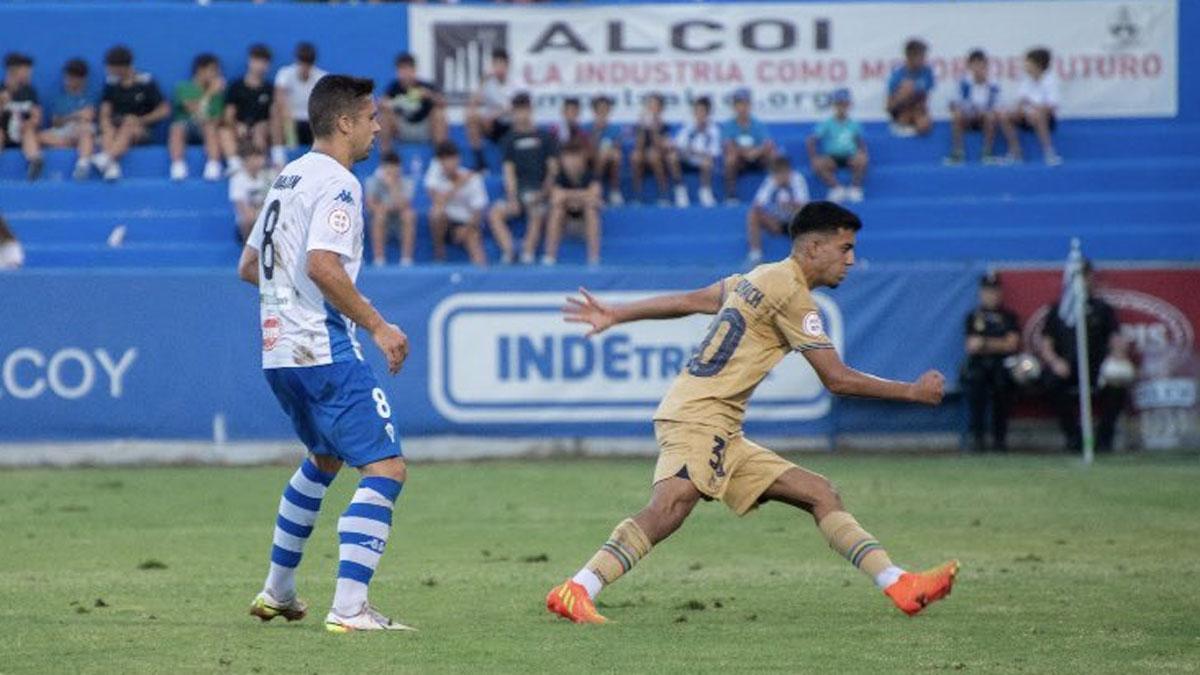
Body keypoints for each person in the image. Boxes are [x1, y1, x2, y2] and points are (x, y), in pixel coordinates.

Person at [545, 201, 958, 624]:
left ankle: (898, 583)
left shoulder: (758, 277)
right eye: (845, 248)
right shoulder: (793, 296)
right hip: (700, 417)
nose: (851, 259)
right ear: (814, 248)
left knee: (819, 493)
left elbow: (692, 299)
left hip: (720, 427)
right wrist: (910, 391)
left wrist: (618, 313)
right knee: (670, 507)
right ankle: (579, 587)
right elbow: (836, 378)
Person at [236, 74, 414, 632]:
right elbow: (323, 265)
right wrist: (378, 326)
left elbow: (248, 267)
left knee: (324, 459)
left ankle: (278, 591)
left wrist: (288, 311)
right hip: (323, 348)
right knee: (385, 467)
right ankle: (350, 608)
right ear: (345, 122)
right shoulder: (339, 183)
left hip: (279, 351)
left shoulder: (287, 178)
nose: (378, 127)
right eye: (371, 118)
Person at [1037, 261, 1127, 452]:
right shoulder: (1060, 310)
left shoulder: (1102, 309)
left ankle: (1104, 438)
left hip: (1096, 367)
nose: (1082, 281)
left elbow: (1116, 339)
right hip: (1067, 368)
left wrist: (1116, 357)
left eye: (1085, 276)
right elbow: (1046, 345)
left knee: (1118, 382)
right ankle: (1073, 436)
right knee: (1050, 381)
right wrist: (1055, 362)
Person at [488, 92, 558, 265]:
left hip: (539, 192)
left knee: (537, 212)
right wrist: (512, 198)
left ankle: (528, 252)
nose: (521, 115)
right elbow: (508, 171)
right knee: (495, 213)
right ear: (513, 113)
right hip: (518, 192)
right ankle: (509, 250)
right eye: (517, 111)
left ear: (531, 110)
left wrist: (543, 193)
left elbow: (553, 170)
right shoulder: (508, 140)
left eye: (525, 110)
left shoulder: (545, 137)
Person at [961, 273, 1020, 452]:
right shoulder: (974, 316)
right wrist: (998, 343)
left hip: (1002, 366)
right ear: (981, 293)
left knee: (1002, 388)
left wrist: (985, 343)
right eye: (987, 291)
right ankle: (978, 438)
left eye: (994, 291)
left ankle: (999, 440)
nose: (991, 295)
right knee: (975, 387)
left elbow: (1012, 344)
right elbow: (972, 346)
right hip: (978, 366)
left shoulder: (1009, 316)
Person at [94, 45, 169, 182]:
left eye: (111, 67)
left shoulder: (146, 82)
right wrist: (105, 123)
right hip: (116, 126)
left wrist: (139, 120)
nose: (108, 70)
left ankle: (107, 157)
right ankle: (111, 167)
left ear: (122, 67)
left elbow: (164, 110)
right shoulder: (111, 84)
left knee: (128, 126)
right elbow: (105, 111)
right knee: (108, 129)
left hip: (141, 129)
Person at [424, 140, 488, 267]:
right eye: (444, 160)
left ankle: (482, 275)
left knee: (472, 238)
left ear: (458, 159)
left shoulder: (474, 179)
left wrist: (467, 228)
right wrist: (458, 185)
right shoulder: (436, 177)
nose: (448, 164)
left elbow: (478, 212)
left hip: (468, 223)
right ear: (439, 163)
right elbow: (437, 201)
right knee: (436, 213)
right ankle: (439, 253)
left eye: (451, 159)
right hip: (447, 223)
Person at [542, 140, 602, 266]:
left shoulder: (591, 174)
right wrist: (580, 196)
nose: (572, 162)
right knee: (556, 210)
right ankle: (550, 255)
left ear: (583, 158)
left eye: (575, 157)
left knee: (591, 209)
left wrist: (568, 196)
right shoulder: (560, 176)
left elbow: (595, 196)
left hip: (584, 215)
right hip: (566, 216)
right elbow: (555, 198)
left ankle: (594, 256)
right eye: (568, 158)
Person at [169, 53, 226, 181]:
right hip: (186, 125)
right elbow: (193, 109)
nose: (216, 74)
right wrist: (210, 93)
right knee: (176, 128)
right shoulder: (183, 87)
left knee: (210, 127)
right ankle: (178, 166)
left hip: (207, 127)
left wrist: (208, 119)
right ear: (200, 70)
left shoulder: (218, 94)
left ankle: (213, 166)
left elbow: (217, 119)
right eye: (213, 70)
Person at [221, 44, 276, 173]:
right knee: (224, 131)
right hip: (238, 131)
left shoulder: (270, 89)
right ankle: (234, 164)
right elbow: (229, 114)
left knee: (260, 129)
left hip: (261, 131)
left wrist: (262, 126)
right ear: (250, 61)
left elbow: (273, 117)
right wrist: (237, 126)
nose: (260, 66)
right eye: (257, 61)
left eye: (264, 62)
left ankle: (260, 163)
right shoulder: (235, 87)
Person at [39, 58, 95, 181]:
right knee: (40, 136)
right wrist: (74, 116)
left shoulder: (90, 97)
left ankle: (83, 164)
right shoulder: (59, 99)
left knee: (85, 132)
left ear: (82, 79)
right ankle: (79, 146)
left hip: (83, 130)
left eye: (74, 78)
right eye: (68, 77)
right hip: (64, 133)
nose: (70, 81)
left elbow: (89, 117)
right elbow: (55, 122)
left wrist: (80, 118)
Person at [1003, 47, 1061, 166]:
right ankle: (1016, 152)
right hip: (1026, 116)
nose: (1025, 65)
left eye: (1028, 62)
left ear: (1037, 64)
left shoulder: (1051, 80)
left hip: (1045, 118)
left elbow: (1051, 107)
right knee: (1004, 116)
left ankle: (1049, 153)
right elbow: (1021, 100)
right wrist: (1019, 111)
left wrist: (1034, 110)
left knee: (1038, 115)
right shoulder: (1025, 79)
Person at [807, 88, 867, 203]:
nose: (842, 108)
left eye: (844, 104)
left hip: (850, 156)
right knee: (818, 164)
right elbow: (811, 140)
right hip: (831, 157)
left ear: (849, 105)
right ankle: (836, 188)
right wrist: (814, 157)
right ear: (834, 105)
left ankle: (855, 188)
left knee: (862, 159)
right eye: (839, 104)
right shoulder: (827, 123)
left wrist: (863, 153)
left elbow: (860, 141)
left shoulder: (854, 124)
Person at [944, 49, 1003, 166]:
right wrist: (965, 110)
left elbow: (998, 105)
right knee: (957, 115)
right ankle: (957, 152)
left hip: (984, 118)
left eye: (981, 65)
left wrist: (984, 111)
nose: (978, 68)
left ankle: (987, 153)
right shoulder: (963, 83)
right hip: (967, 117)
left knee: (991, 116)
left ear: (986, 66)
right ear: (969, 66)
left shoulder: (993, 84)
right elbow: (953, 103)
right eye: (975, 65)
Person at [746, 156, 809, 264]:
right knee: (753, 214)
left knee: (807, 215)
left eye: (783, 173)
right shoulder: (770, 181)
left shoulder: (798, 179)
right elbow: (758, 205)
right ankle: (755, 253)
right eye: (778, 174)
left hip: (794, 223)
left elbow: (804, 205)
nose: (781, 177)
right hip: (776, 223)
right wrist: (774, 192)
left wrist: (790, 205)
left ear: (789, 172)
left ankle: (806, 252)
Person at [272, 42, 327, 167]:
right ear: (297, 61)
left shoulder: (322, 77)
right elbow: (279, 97)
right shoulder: (285, 73)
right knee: (275, 109)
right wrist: (287, 115)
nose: (304, 67)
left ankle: (322, 156)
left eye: (308, 63)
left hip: (312, 122)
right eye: (302, 62)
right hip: (290, 120)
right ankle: (278, 154)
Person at [379, 52, 447, 151]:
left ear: (414, 70)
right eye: (402, 69)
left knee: (439, 114)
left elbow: (443, 103)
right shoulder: (393, 87)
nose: (405, 73)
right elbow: (381, 103)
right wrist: (386, 104)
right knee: (384, 116)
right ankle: (387, 157)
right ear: (397, 71)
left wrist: (430, 95)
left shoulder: (425, 86)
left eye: (408, 69)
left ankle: (440, 156)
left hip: (425, 128)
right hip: (402, 128)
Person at [721, 88, 776, 204]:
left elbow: (768, 143)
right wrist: (745, 153)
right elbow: (728, 145)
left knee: (773, 155)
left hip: (757, 158)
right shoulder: (728, 125)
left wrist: (755, 152)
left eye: (745, 104)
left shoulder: (758, 124)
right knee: (730, 159)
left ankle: (774, 193)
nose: (743, 107)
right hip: (740, 161)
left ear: (750, 106)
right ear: (734, 107)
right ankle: (731, 195)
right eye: (739, 104)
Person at [364, 151, 416, 267]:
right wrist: (385, 208)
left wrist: (392, 186)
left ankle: (406, 259)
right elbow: (370, 205)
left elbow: (404, 205)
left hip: (399, 220)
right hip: (382, 219)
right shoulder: (372, 181)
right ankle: (379, 259)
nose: (392, 170)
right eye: (389, 167)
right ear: (383, 168)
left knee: (409, 215)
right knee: (379, 215)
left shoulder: (408, 182)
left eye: (395, 167)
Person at [668, 96, 720, 207]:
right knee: (672, 157)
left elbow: (713, 153)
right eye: (696, 111)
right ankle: (680, 191)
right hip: (687, 160)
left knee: (707, 161)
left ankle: (705, 192)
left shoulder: (714, 130)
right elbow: (677, 146)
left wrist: (694, 152)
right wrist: (688, 151)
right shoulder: (687, 127)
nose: (699, 114)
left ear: (708, 113)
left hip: (702, 162)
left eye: (702, 111)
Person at [465, 48, 511, 171]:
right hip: (492, 126)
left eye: (502, 64)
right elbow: (472, 104)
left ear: (507, 66)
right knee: (471, 117)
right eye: (496, 64)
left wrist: (493, 115)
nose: (499, 68)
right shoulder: (488, 83)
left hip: (510, 126)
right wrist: (482, 82)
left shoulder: (516, 84)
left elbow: (511, 109)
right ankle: (480, 162)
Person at [0, 52, 44, 180]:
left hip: (22, 132)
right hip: (4, 132)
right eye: (26, 70)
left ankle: (35, 161)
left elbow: (37, 116)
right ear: (13, 71)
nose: (29, 73)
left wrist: (30, 123)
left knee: (29, 131)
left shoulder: (30, 91)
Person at [630, 93, 673, 205]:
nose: (652, 108)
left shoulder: (664, 125)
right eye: (650, 105)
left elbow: (662, 146)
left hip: (660, 156)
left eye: (655, 106)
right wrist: (642, 129)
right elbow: (638, 146)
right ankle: (637, 195)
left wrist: (654, 128)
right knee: (635, 157)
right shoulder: (641, 123)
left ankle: (663, 194)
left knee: (653, 155)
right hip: (644, 154)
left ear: (660, 109)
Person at [886, 39, 935, 137]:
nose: (924, 59)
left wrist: (914, 90)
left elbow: (926, 93)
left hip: (919, 109)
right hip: (902, 110)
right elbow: (889, 107)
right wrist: (901, 96)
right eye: (921, 56)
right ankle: (902, 128)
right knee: (905, 92)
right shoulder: (897, 76)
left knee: (924, 124)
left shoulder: (927, 72)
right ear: (910, 57)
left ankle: (911, 130)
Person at [228, 141, 273, 242]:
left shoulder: (269, 175)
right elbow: (241, 208)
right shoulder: (237, 179)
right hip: (248, 221)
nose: (256, 161)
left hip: (265, 215)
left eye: (258, 157)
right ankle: (248, 249)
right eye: (252, 158)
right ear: (245, 161)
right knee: (248, 219)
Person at [585, 95, 623, 205]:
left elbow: (617, 147)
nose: (602, 111)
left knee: (615, 155)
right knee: (601, 155)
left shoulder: (615, 128)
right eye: (600, 109)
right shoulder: (586, 127)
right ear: (594, 111)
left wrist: (606, 152)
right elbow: (586, 148)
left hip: (608, 159)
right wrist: (597, 131)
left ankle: (614, 191)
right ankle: (595, 189)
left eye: (605, 109)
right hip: (590, 159)